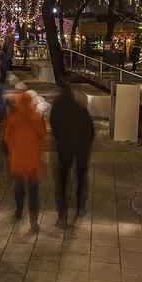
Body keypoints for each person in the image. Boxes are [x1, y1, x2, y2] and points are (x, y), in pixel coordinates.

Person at [49, 76, 95, 228]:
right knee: (81, 176)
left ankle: (62, 210)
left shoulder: (57, 106)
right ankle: (80, 204)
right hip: (80, 149)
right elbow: (90, 130)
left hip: (64, 147)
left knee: (62, 178)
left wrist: (59, 138)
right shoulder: (81, 109)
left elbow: (53, 123)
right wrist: (86, 146)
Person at [2, 83, 47, 233]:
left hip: (18, 161)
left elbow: (7, 138)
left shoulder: (13, 119)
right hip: (33, 161)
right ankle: (34, 222)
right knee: (34, 192)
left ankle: (19, 211)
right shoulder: (37, 118)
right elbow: (42, 135)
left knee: (19, 188)